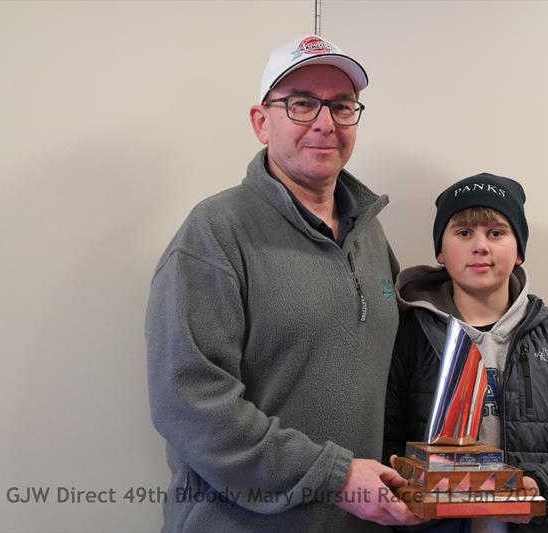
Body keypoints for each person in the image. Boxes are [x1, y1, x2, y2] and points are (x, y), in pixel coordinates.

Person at [145, 35, 421, 532]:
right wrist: (334, 477)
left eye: (341, 106)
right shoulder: (214, 233)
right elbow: (192, 405)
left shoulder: (371, 235)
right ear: (260, 121)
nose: (324, 122)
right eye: (301, 104)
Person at [383, 173, 548, 533]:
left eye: (496, 233)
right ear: (440, 250)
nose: (480, 246)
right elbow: (375, 440)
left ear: (519, 252)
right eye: (463, 233)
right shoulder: (404, 337)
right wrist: (401, 491)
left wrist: (541, 491)